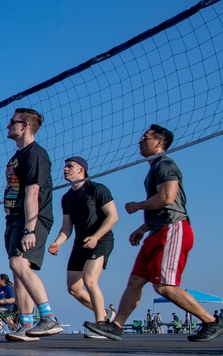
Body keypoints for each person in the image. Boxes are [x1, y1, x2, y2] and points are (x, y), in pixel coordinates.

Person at [85, 124, 222, 342]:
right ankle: (117, 326)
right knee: (135, 281)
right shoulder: (154, 168)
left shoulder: (165, 164)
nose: (140, 140)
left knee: (164, 287)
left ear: (158, 142)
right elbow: (165, 206)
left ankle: (212, 322)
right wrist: (142, 228)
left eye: (145, 137)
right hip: (158, 230)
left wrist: (137, 206)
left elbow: (167, 198)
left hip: (173, 229)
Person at [2, 107, 61, 342]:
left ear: (25, 125)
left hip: (31, 219)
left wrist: (29, 228)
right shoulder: (17, 156)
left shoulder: (35, 154)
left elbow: (33, 193)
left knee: (19, 263)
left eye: (12, 122)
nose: (8, 125)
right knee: (16, 270)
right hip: (14, 218)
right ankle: (26, 325)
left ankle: (48, 317)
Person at [47, 156, 118, 338]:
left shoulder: (97, 189)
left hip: (101, 239)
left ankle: (101, 325)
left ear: (81, 169)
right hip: (80, 242)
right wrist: (58, 242)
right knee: (73, 288)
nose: (65, 169)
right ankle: (107, 314)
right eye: (65, 167)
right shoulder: (67, 198)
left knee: (89, 279)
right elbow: (66, 227)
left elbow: (113, 216)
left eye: (70, 166)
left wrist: (96, 237)